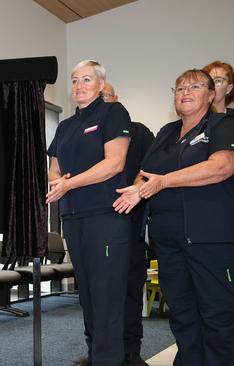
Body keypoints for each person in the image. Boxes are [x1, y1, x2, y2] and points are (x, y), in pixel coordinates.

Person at [113, 69, 234, 366]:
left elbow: (222, 166)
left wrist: (164, 181)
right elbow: (146, 173)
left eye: (195, 86)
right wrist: (136, 191)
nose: (185, 92)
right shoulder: (166, 131)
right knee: (181, 312)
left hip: (210, 239)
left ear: (211, 94)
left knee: (217, 313)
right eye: (179, 88)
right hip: (167, 240)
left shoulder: (223, 124)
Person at [46, 60, 131, 366]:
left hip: (104, 216)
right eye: (74, 80)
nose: (79, 86)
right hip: (72, 217)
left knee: (106, 294)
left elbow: (115, 163)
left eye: (86, 79)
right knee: (88, 296)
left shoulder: (113, 113)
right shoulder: (66, 126)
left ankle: (109, 359)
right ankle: (97, 354)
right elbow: (53, 169)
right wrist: (60, 183)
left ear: (100, 84)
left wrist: (70, 183)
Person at [102, 83, 153, 366]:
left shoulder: (139, 132)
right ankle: (101, 350)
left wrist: (135, 189)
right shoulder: (86, 133)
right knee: (99, 297)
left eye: (107, 97)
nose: (104, 102)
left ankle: (131, 352)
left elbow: (152, 169)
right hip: (96, 229)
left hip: (130, 226)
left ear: (117, 100)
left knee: (130, 293)